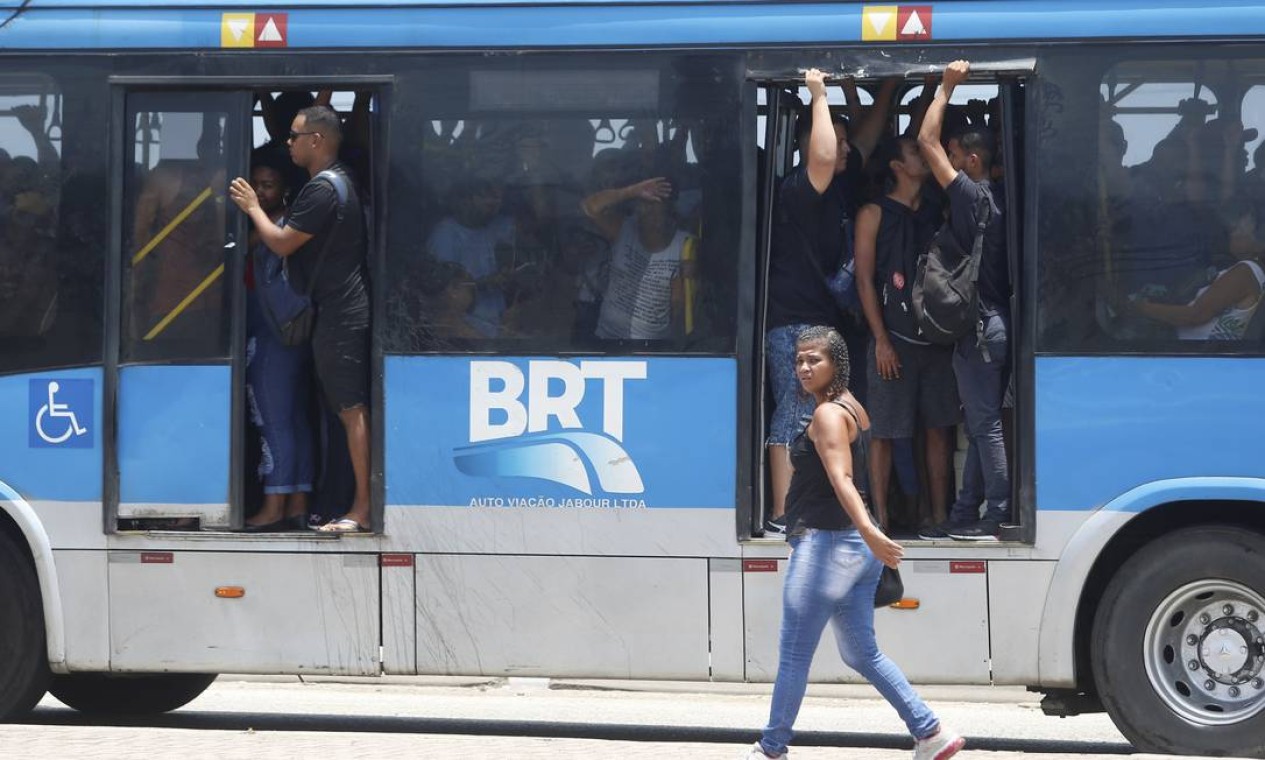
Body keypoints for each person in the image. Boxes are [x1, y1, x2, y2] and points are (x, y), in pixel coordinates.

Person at [746, 325, 964, 760]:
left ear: (836, 363)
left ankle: (771, 749)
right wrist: (868, 541)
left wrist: (871, 533)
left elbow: (842, 479)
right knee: (861, 653)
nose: (804, 367)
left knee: (793, 654)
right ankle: (930, 732)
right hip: (850, 550)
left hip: (828, 546)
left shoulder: (827, 415)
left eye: (815, 360)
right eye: (799, 360)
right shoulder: (850, 406)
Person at [228, 105, 372, 534]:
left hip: (341, 314)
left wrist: (252, 207)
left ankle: (361, 510)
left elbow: (282, 243)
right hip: (337, 311)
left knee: (351, 412)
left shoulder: (323, 190)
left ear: (317, 141)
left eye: (294, 136)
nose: (287, 143)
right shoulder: (337, 181)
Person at [763, 70, 893, 537]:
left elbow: (867, 137)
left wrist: (891, 90)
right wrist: (819, 93)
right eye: (834, 140)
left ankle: (806, 510)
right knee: (796, 412)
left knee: (822, 413)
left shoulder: (837, 184)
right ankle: (783, 514)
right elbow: (822, 156)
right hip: (796, 324)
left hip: (823, 323)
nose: (843, 149)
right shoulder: (800, 188)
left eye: (842, 143)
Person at [916, 61, 1012, 542]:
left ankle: (993, 514)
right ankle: (963, 514)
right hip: (988, 327)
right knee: (978, 425)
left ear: (971, 161)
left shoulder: (973, 197)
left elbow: (926, 141)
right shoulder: (994, 199)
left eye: (956, 156)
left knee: (985, 426)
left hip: (980, 330)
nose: (946, 163)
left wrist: (946, 88)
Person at [854, 137, 958, 533]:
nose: (925, 156)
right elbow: (864, 280)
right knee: (883, 430)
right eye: (916, 152)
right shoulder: (873, 213)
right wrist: (880, 338)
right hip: (891, 339)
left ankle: (938, 514)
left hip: (936, 339)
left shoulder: (937, 209)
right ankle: (879, 518)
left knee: (939, 428)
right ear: (897, 166)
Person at [242, 160, 314, 531]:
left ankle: (274, 505)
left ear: (284, 189)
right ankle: (296, 502)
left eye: (267, 184)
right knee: (293, 420)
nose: (259, 191)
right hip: (285, 333)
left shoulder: (281, 224)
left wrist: (250, 209)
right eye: (255, 184)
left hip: (273, 334)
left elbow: (243, 245)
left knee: (272, 420)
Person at [581, 173, 696, 341]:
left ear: (669, 209)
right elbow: (589, 208)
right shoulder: (623, 229)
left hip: (652, 348)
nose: (649, 210)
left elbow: (678, 304)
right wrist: (630, 192)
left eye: (656, 203)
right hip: (607, 340)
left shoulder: (684, 246)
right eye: (644, 203)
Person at [1134, 203, 1265, 339]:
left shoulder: (1245, 271)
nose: (1230, 236)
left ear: (1258, 237)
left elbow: (1195, 315)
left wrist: (1140, 308)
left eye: (1235, 230)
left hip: (1204, 355)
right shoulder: (1252, 270)